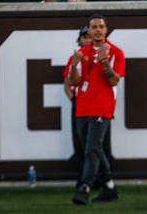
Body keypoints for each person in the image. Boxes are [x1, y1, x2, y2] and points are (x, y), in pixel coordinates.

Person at [70, 14, 125, 205]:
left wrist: (104, 61)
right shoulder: (81, 52)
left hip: (102, 106)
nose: (98, 30)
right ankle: (109, 186)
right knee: (93, 149)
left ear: (106, 29)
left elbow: (114, 80)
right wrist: (74, 64)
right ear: (89, 31)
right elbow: (74, 82)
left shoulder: (116, 52)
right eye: (94, 27)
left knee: (92, 148)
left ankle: (84, 187)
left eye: (101, 26)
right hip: (82, 107)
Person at [63, 25, 92, 188]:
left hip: (96, 102)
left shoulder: (99, 56)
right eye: (84, 37)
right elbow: (67, 83)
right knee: (79, 141)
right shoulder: (73, 59)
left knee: (96, 143)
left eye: (89, 36)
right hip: (79, 101)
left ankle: (98, 178)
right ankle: (82, 178)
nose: (87, 40)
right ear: (79, 40)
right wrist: (73, 98)